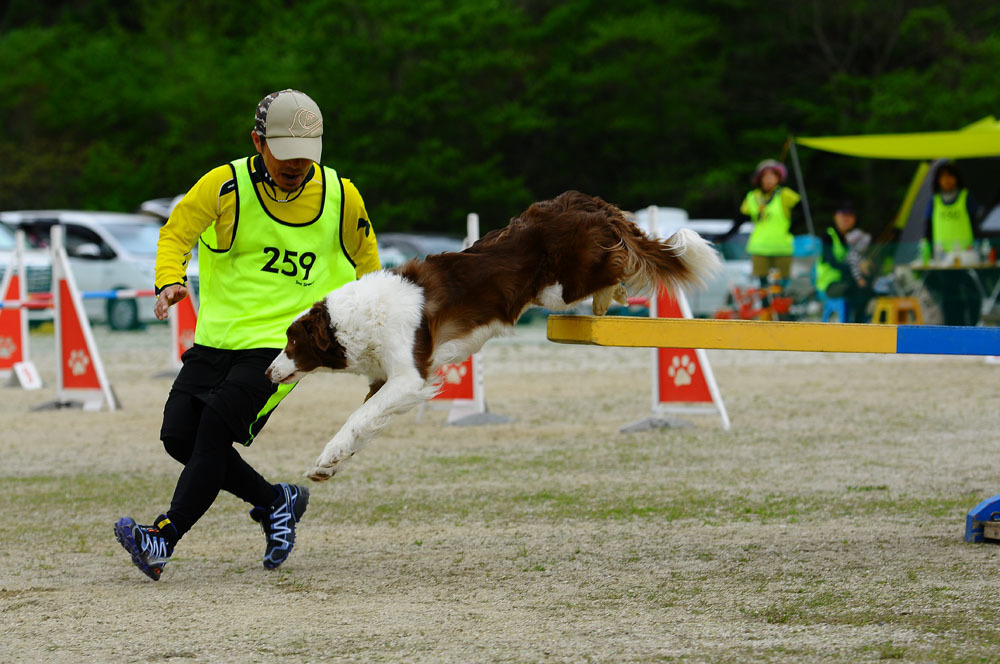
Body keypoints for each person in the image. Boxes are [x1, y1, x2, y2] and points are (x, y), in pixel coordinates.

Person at [113, 89, 381, 580]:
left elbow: (370, 268)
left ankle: (162, 539)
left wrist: (373, 331)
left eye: (307, 154)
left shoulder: (343, 196)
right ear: (258, 142)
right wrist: (170, 279)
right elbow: (177, 232)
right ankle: (276, 500)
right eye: (284, 152)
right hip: (216, 339)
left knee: (215, 427)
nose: (297, 164)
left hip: (282, 348)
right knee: (179, 437)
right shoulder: (224, 185)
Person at [718, 159, 802, 291]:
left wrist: (792, 228)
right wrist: (726, 236)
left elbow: (803, 211)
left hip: (782, 247)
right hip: (759, 247)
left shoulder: (785, 194)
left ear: (778, 178)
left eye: (772, 176)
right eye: (765, 176)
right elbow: (740, 219)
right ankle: (766, 310)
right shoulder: (752, 197)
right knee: (763, 287)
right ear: (760, 178)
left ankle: (780, 310)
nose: (769, 180)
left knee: (780, 286)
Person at [921, 161, 983, 325]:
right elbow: (928, 228)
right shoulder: (935, 201)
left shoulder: (965, 197)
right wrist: (928, 251)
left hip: (966, 255)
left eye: (950, 176)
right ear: (938, 181)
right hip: (943, 257)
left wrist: (977, 245)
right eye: (943, 177)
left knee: (971, 292)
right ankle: (951, 325)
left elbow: (975, 224)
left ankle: (972, 324)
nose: (947, 180)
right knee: (949, 294)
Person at [815, 201, 874, 323]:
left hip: (847, 280)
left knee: (868, 287)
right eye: (844, 215)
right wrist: (855, 267)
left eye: (850, 216)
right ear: (836, 217)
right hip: (831, 284)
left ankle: (861, 322)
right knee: (859, 290)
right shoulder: (829, 236)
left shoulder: (853, 238)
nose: (846, 219)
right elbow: (832, 262)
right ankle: (857, 325)